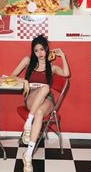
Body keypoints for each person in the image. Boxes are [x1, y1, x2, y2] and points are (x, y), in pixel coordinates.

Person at [11, 35, 70, 172]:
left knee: (40, 111)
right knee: (45, 88)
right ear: (33, 51)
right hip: (31, 97)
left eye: (42, 49)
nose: (39, 53)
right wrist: (24, 81)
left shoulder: (52, 67)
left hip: (47, 99)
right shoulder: (28, 61)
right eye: (36, 50)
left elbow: (66, 73)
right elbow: (11, 76)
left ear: (47, 50)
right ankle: (28, 123)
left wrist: (63, 56)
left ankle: (28, 155)